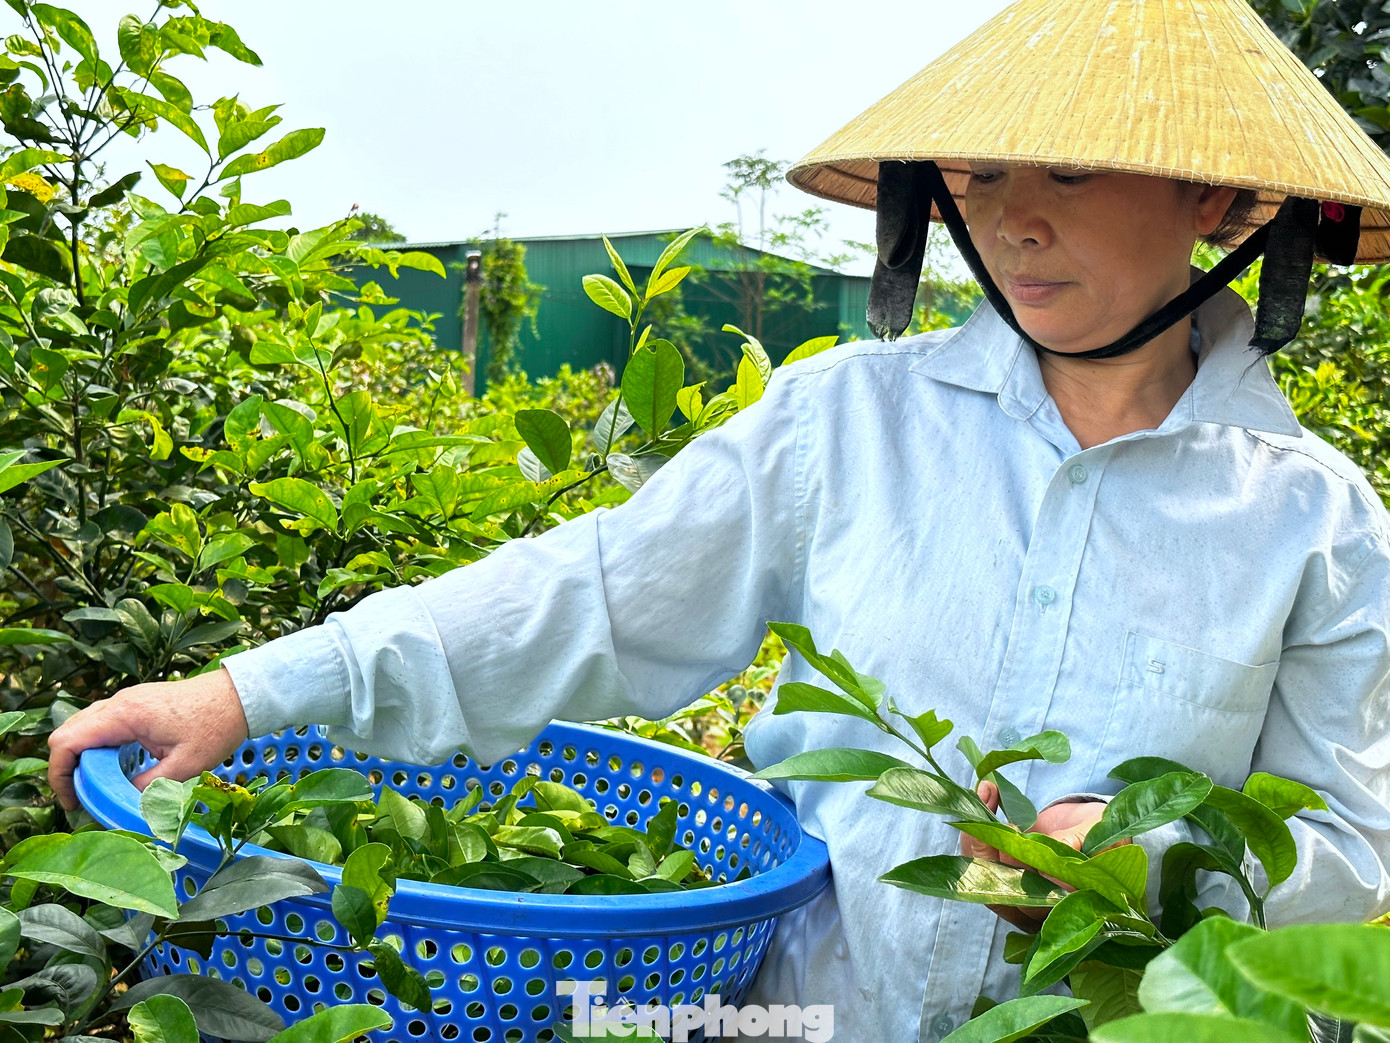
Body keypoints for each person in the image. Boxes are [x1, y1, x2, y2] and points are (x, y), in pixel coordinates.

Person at [48, 0, 1390, 1039]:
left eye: (1072, 176)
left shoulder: (1310, 524)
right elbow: (582, 595)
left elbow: (1348, 848)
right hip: (802, 1016)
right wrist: (243, 695)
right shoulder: (847, 425)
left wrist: (1140, 859)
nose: (1013, 220)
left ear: (1213, 202)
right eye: (977, 176)